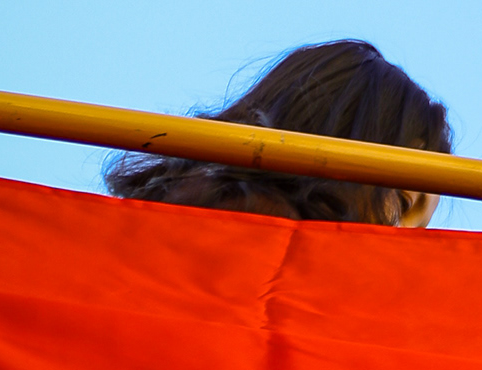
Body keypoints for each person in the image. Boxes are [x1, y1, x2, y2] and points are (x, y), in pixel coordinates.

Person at [106, 40, 450, 230]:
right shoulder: (240, 232)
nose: (406, 244)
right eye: (402, 206)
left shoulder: (145, 226)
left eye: (420, 232)